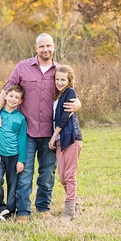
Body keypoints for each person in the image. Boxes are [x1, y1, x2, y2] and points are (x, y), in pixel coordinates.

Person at [0, 33, 81, 224]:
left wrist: (78, 103)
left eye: (48, 46)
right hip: (27, 132)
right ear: (36, 48)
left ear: (54, 46)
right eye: (41, 46)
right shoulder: (23, 67)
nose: (45, 49)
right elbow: (6, 90)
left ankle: (43, 207)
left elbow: (70, 91)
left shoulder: (59, 71)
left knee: (47, 173)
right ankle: (23, 210)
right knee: (24, 172)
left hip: (51, 133)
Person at [47, 65, 83, 221]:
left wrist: (54, 135)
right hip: (61, 139)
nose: (59, 82)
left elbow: (65, 117)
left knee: (69, 175)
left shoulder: (70, 93)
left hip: (70, 138)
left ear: (69, 80)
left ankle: (69, 212)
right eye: (57, 79)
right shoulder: (58, 95)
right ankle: (75, 204)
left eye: (63, 79)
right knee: (62, 176)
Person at [0, 84, 27, 221]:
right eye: (11, 96)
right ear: (5, 96)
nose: (13, 99)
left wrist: (21, 160)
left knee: (13, 186)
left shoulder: (21, 119)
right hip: (0, 157)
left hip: (14, 157)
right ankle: (1, 207)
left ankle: (9, 211)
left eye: (17, 97)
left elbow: (22, 141)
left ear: (20, 101)